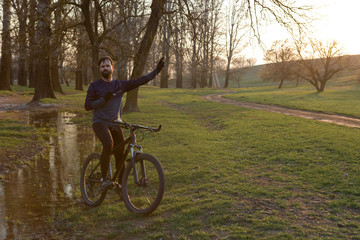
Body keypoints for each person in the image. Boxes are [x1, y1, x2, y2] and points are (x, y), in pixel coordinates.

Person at [85, 56, 165, 192]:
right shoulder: (94, 86)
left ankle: (120, 186)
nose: (105, 68)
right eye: (102, 66)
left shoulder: (120, 85)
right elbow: (87, 106)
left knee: (120, 156)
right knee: (108, 144)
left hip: (116, 123)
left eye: (107, 65)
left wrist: (156, 71)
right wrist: (102, 100)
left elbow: (140, 81)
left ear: (112, 67)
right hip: (100, 122)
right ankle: (104, 179)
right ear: (99, 69)